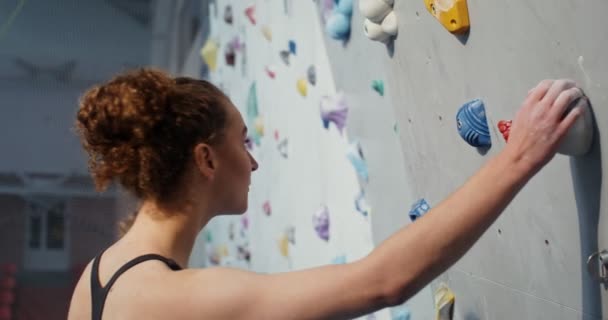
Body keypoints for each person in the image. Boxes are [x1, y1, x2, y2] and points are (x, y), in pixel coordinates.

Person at [67, 68, 586, 320]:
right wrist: (520, 156)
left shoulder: (98, 279)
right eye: (242, 142)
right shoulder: (174, 300)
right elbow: (383, 283)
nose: (252, 161)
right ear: (205, 159)